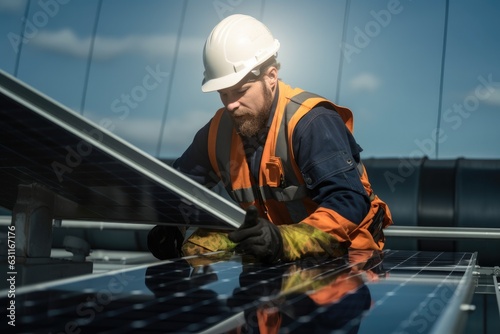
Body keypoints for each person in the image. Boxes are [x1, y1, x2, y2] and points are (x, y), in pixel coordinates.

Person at [148, 14, 393, 264]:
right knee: (198, 245)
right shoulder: (218, 132)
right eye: (223, 94)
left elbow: (348, 201)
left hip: (345, 258)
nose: (231, 105)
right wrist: (172, 226)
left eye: (241, 91)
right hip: (271, 254)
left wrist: (282, 241)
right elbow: (178, 187)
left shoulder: (310, 122)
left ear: (271, 77)